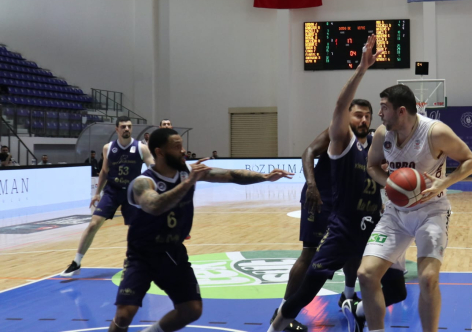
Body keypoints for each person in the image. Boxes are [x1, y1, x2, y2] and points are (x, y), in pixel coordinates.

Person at [270, 34, 406, 332]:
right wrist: (312, 185)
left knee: (356, 255)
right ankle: (282, 312)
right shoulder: (340, 136)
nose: (363, 120)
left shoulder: (373, 145)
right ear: (348, 117)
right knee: (309, 254)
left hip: (349, 207)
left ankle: (348, 296)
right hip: (320, 196)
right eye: (357, 115)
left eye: (367, 116)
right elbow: (308, 151)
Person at [108, 128, 293, 332]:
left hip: (173, 253)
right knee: (124, 314)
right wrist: (189, 182)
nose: (183, 151)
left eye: (182, 146)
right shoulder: (143, 182)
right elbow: (155, 206)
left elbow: (230, 175)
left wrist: (264, 176)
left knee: (191, 309)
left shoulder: (187, 173)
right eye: (177, 147)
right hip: (142, 255)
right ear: (160, 152)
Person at [353, 84, 472, 332]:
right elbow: (372, 166)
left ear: (401, 111)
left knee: (428, 279)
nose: (380, 113)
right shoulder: (382, 134)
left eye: (384, 108)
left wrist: (445, 182)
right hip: (396, 213)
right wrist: (391, 184)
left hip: (431, 211)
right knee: (366, 275)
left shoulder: (435, 132)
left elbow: (471, 161)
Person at [60, 116, 155, 277]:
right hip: (112, 190)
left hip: (132, 192)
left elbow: (152, 168)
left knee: (135, 229)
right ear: (117, 129)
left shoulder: (141, 148)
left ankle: (133, 261)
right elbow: (104, 171)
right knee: (93, 224)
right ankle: (76, 262)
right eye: (123, 126)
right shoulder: (108, 148)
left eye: (129, 126)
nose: (127, 129)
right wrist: (97, 193)